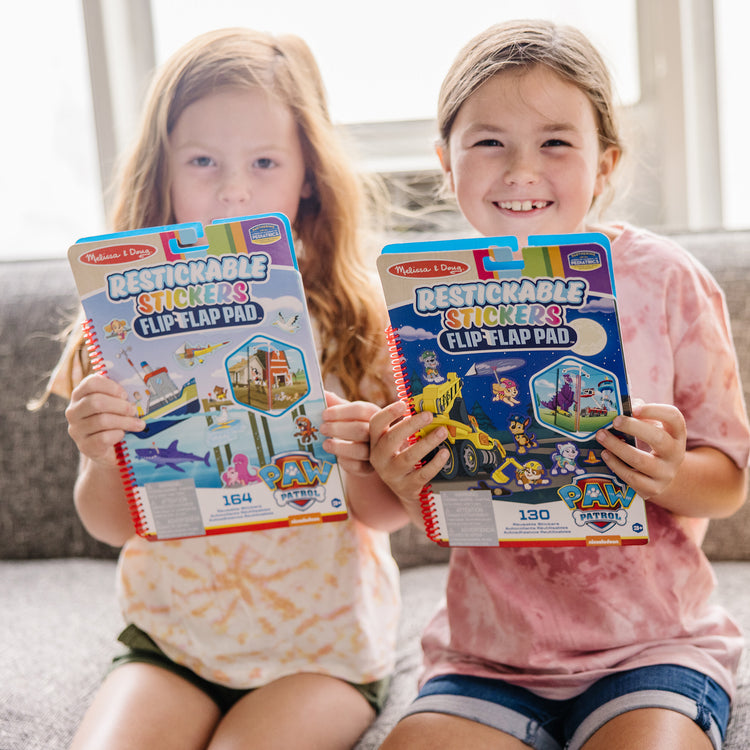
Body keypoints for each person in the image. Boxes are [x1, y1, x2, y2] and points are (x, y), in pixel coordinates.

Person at [369, 19, 750, 750]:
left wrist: (669, 472)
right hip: (487, 659)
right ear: (446, 162)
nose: (521, 171)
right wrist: (401, 476)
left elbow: (729, 482)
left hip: (652, 645)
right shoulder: (422, 307)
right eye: (489, 142)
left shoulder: (668, 280)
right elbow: (438, 511)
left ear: (604, 164)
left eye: (555, 142)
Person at [46, 28, 406, 750]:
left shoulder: (357, 317)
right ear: (164, 173)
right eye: (203, 161)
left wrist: (362, 460)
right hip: (173, 643)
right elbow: (112, 525)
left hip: (324, 653)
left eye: (264, 162)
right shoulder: (115, 324)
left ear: (308, 176)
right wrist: (100, 454)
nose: (233, 189)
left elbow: (389, 516)